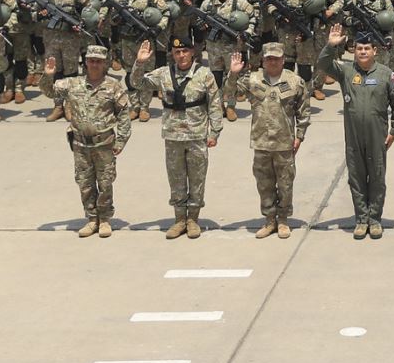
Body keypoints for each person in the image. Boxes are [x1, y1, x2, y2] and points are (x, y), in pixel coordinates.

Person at [316, 23, 394, 240]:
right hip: (353, 134)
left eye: (367, 48)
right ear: (354, 51)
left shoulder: (386, 74)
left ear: (375, 51)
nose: (363, 52)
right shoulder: (346, 71)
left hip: (377, 134)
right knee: (355, 177)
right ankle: (361, 219)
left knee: (376, 176)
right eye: (359, 49)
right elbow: (323, 64)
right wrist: (330, 45)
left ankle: (374, 220)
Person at [136, 32, 224, 239]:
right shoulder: (163, 74)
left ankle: (193, 219)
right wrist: (140, 63)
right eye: (177, 52)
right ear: (172, 55)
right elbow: (138, 83)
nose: (181, 55)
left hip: (197, 135)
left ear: (192, 52)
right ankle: (179, 220)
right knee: (176, 180)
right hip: (173, 137)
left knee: (197, 180)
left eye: (185, 51)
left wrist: (215, 132)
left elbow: (214, 104)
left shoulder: (205, 75)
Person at [41, 44, 131, 238]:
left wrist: (121, 141)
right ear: (86, 63)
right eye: (91, 61)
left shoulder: (113, 87)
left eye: (98, 61)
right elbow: (49, 92)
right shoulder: (72, 84)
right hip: (80, 145)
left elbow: (124, 114)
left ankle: (105, 219)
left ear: (105, 64)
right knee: (85, 183)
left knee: (105, 182)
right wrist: (48, 75)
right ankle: (91, 219)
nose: (94, 65)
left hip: (104, 144)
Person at [228, 41, 311, 239]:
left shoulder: (295, 81)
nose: (272, 62)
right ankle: (269, 219)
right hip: (261, 142)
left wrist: (300, 136)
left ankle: (283, 220)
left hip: (284, 142)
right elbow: (230, 93)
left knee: (285, 183)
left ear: (283, 59)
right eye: (269, 58)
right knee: (264, 183)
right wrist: (233, 74)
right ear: (263, 60)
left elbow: (304, 111)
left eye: (276, 58)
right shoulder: (253, 79)